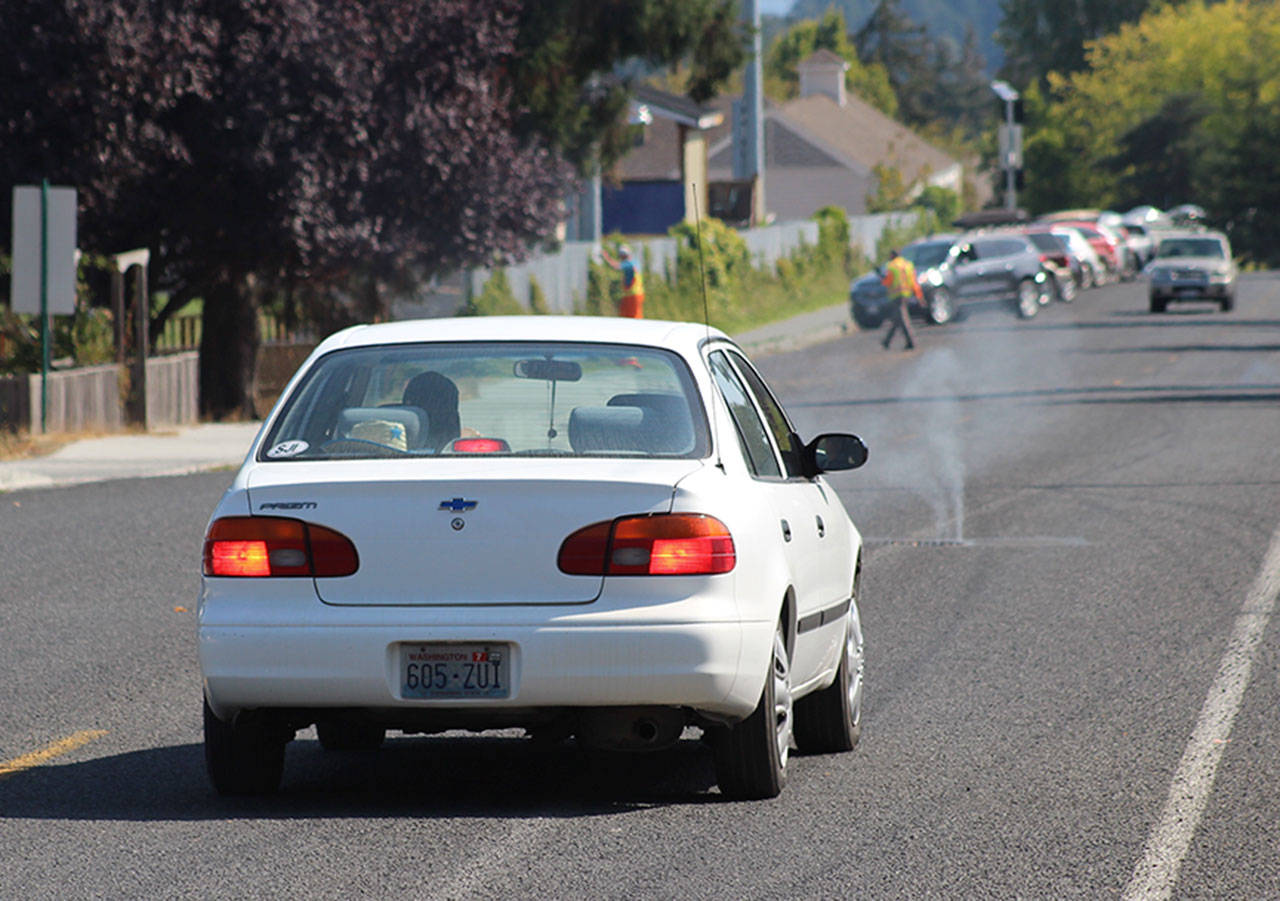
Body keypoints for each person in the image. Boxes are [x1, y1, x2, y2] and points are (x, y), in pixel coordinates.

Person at [880, 248, 921, 351]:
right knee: (897, 318)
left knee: (902, 319)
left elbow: (888, 282)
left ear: (892, 256)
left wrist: (881, 278)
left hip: (896, 296)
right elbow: (914, 282)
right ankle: (886, 341)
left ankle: (911, 341)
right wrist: (919, 296)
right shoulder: (908, 265)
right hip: (906, 294)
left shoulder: (891, 266)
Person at [600, 243, 645, 318]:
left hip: (633, 295)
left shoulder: (629, 264)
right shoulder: (635, 262)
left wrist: (606, 257)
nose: (620, 257)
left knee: (633, 316)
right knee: (625, 315)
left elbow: (615, 266)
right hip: (633, 294)